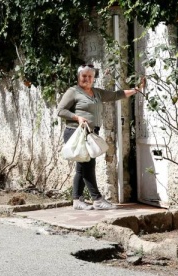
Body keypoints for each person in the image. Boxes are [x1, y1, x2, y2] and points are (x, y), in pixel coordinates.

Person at [57, 64, 144, 210]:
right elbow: (60, 110)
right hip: (76, 132)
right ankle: (97, 199)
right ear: (79, 77)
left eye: (90, 76)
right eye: (84, 76)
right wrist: (77, 117)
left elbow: (116, 95)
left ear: (94, 78)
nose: (87, 79)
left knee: (82, 168)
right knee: (88, 165)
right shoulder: (73, 92)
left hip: (90, 133)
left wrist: (136, 90)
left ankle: (77, 200)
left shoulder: (97, 93)